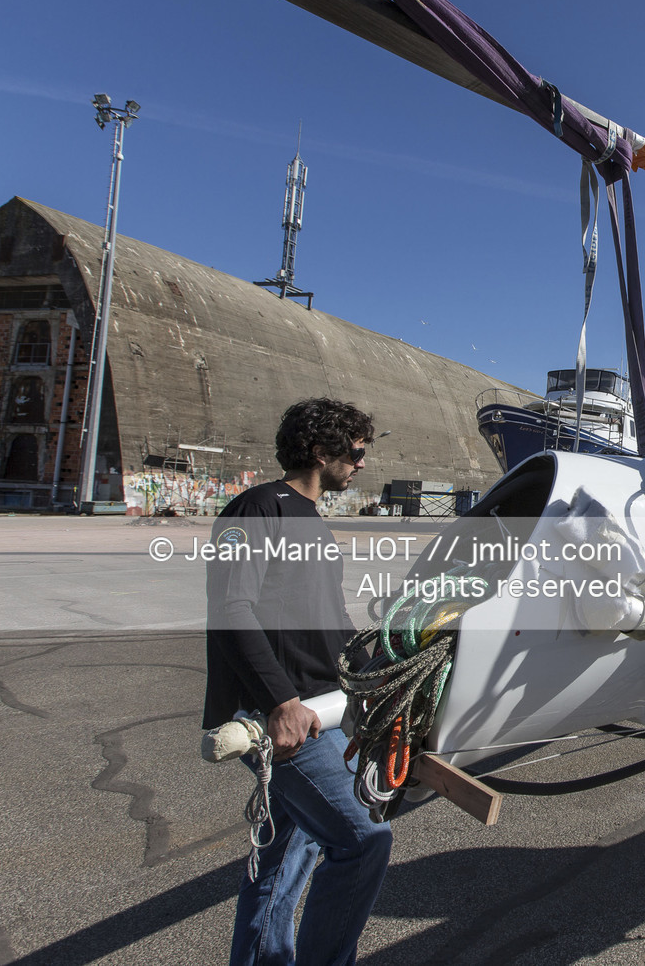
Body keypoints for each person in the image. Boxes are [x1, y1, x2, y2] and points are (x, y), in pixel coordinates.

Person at [204, 398, 388, 965]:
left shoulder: (312, 521)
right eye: (355, 451)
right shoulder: (258, 508)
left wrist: (381, 659)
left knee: (282, 857)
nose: (360, 463)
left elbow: (326, 625)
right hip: (277, 715)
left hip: (320, 709)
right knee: (362, 843)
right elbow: (231, 609)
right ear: (320, 449)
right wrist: (279, 701)